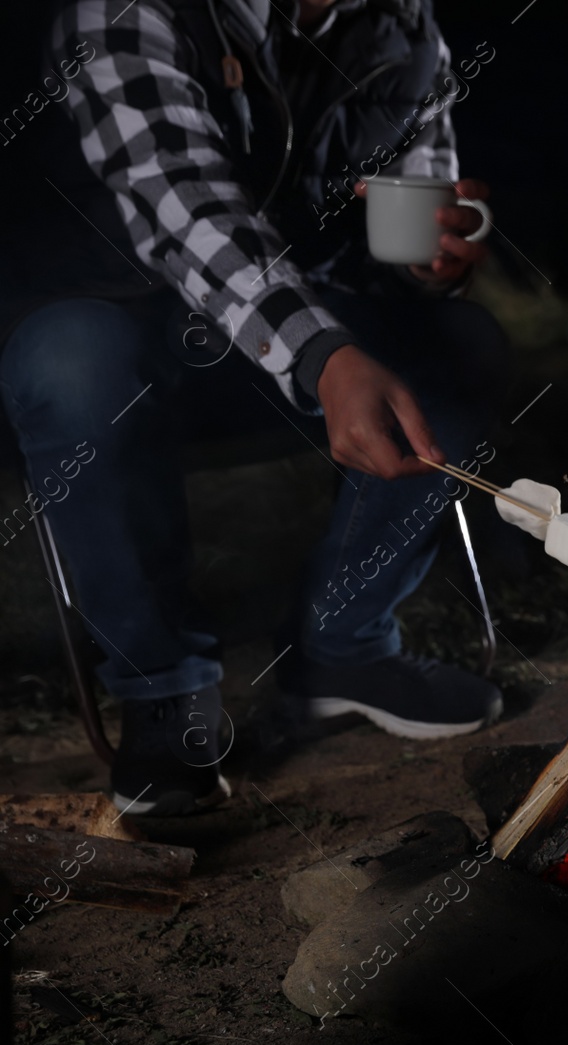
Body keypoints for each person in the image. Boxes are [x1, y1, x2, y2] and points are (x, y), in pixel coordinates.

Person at [0, 0, 506, 816]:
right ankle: (165, 695)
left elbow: (411, 206)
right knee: (70, 362)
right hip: (115, 312)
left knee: (459, 340)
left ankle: (343, 644)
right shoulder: (123, 11)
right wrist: (324, 358)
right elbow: (188, 208)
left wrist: (435, 264)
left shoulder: (404, 27)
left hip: (288, 329)